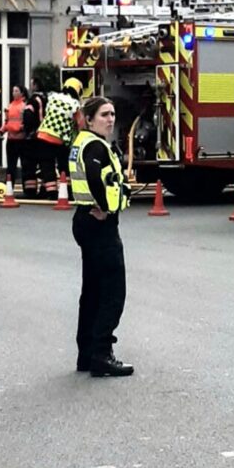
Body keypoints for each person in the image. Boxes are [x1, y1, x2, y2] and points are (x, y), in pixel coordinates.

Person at [68, 96, 134, 378]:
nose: (110, 119)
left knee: (92, 291)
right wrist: (106, 208)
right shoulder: (94, 146)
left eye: (113, 114)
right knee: (112, 291)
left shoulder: (83, 142)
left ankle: (86, 354)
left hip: (85, 220)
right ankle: (102, 354)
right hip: (99, 224)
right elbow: (95, 177)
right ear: (89, 119)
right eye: (104, 115)